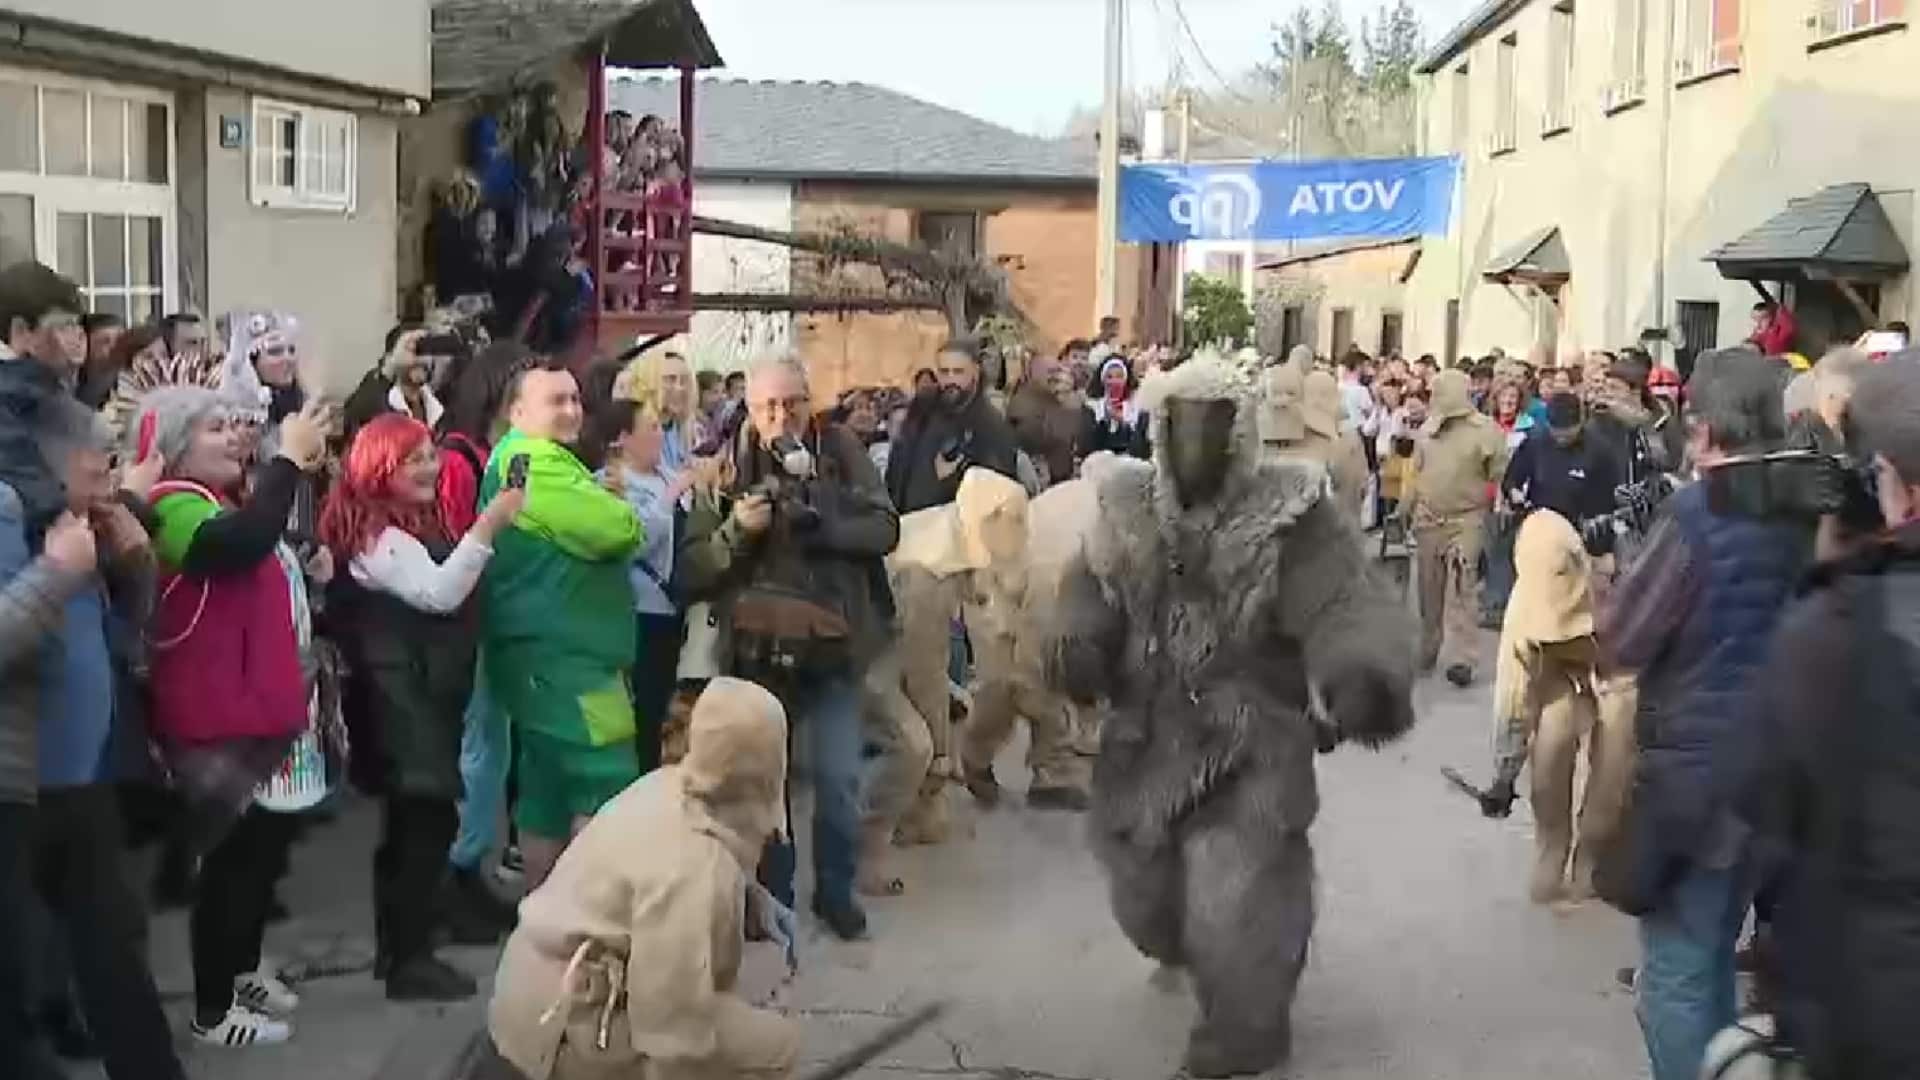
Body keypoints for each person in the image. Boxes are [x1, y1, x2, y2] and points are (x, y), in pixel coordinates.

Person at [1047, 351, 1414, 1078]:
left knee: (1233, 885)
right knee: (1146, 902)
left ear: (1241, 431)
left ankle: (1248, 1027)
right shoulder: (1125, 506)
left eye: (1212, 425)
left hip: (1254, 731)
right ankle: (1213, 956)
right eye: (1182, 425)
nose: (1195, 443)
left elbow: (1345, 601)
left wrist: (1358, 676)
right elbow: (1087, 585)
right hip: (1148, 734)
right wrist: (1079, 642)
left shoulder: (1292, 512)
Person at [1596, 348, 1807, 1080]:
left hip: (1700, 775)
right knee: (1716, 955)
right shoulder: (1807, 503)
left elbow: (1624, 639)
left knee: (1678, 975)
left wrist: (1619, 569)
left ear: (1708, 429)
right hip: (1781, 773)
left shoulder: (1699, 509)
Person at [0, 262, 184, 1080]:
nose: (116, 479)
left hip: (82, 767)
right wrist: (56, 572)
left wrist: (131, 568)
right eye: (102, 463)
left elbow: (115, 642)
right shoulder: (18, 515)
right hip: (22, 775)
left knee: (110, 943)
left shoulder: (81, 522)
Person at [131, 384, 334, 1047]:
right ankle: (213, 1011)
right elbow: (237, 546)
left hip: (255, 710)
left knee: (258, 860)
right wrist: (289, 463)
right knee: (227, 868)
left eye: (235, 425)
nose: (236, 437)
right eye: (216, 428)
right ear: (173, 445)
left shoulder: (221, 499)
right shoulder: (171, 506)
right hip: (213, 716)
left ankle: (241, 968)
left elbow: (266, 538)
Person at [1737, 358, 1920, 1079]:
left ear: (1894, 482)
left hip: (1878, 1007)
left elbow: (1769, 803)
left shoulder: (1837, 627)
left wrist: (1831, 562)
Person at [677, 355, 899, 941]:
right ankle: (770, 895)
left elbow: (885, 528)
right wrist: (737, 532)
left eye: (793, 402)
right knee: (762, 782)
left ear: (810, 398)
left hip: (834, 645)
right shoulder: (722, 463)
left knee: (838, 776)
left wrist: (821, 523)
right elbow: (694, 568)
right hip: (755, 651)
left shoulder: (841, 450)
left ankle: (835, 891)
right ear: (748, 408)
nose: (782, 416)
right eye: (768, 405)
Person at [485, 678, 798, 1080]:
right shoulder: (695, 867)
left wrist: (751, 896)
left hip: (531, 990)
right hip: (563, 1022)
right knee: (773, 1044)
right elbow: (672, 1037)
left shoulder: (665, 785)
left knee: (727, 1020)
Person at [319, 414, 523, 1001]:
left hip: (419, 694)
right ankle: (409, 957)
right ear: (380, 468)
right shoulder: (377, 537)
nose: (430, 467)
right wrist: (490, 524)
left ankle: (407, 949)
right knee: (420, 826)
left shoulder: (399, 526)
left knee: (419, 826)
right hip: (398, 701)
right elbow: (437, 592)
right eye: (413, 460)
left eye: (430, 454)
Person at [479, 365, 643, 891]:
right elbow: (619, 529)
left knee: (545, 796)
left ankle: (542, 927)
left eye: (575, 399)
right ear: (518, 412)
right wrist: (615, 503)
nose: (572, 410)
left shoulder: (523, 460)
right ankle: (585, 926)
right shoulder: (537, 462)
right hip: (571, 665)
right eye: (556, 401)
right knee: (607, 787)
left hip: (542, 659)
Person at [1474, 510, 1635, 904]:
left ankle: (1592, 859)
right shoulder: (1524, 620)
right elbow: (1512, 705)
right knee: (1551, 742)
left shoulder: (1621, 576)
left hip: (1618, 666)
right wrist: (1504, 774)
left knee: (1616, 760)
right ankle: (1552, 850)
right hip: (1558, 675)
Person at [436, 340, 532, 930]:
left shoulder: (504, 451)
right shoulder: (460, 458)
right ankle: (457, 874)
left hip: (499, 618)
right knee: (478, 753)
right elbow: (454, 539)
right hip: (470, 623)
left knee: (493, 751)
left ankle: (471, 864)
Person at [594, 397, 697, 774]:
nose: (660, 435)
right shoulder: (610, 485)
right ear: (623, 438)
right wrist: (670, 499)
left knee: (669, 703)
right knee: (645, 706)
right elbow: (635, 541)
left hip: (677, 606)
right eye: (651, 427)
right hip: (640, 607)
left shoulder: (670, 474)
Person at [1406, 368, 1508, 687]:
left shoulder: (1486, 431)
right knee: (1428, 587)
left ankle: (1464, 656)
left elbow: (1498, 473)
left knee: (1464, 585)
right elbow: (1417, 476)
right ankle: (1428, 644)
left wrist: (1495, 504)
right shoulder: (1426, 431)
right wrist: (1402, 510)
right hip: (1428, 517)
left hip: (1467, 518)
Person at [886, 338, 1020, 514]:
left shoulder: (990, 426)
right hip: (908, 524)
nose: (950, 380)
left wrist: (950, 480)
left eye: (958, 372)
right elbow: (899, 463)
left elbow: (998, 492)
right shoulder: (922, 410)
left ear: (975, 373)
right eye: (944, 372)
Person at [1501, 394, 1624, 557]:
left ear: (1581, 422)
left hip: (1584, 537)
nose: (1561, 438)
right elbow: (1512, 479)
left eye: (1567, 433)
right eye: (1556, 432)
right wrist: (1514, 493)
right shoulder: (1535, 442)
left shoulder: (1600, 450)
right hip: (1542, 531)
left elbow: (1612, 496)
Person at [1005, 346, 1084, 487]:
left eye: (1057, 371)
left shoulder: (1062, 400)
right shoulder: (1023, 403)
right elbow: (1037, 438)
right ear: (1032, 373)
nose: (1054, 377)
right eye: (1050, 372)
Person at [622, 347, 702, 474]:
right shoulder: (636, 431)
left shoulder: (682, 428)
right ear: (650, 383)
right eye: (670, 379)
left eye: (684, 380)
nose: (679, 388)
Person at [1082, 355, 1147, 459]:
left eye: (1119, 376)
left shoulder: (1136, 405)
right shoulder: (1093, 406)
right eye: (1109, 377)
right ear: (1103, 380)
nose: (1114, 381)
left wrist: (1123, 419)